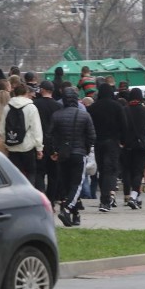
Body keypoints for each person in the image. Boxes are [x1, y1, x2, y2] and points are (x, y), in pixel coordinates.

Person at [50, 87, 96, 227]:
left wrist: (54, 150)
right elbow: (91, 136)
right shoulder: (84, 115)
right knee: (77, 184)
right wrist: (86, 150)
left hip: (63, 154)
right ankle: (68, 209)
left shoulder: (56, 115)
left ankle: (75, 215)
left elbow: (50, 135)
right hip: (79, 152)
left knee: (67, 184)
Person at [88, 83, 127, 212]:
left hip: (98, 142)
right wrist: (123, 140)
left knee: (102, 170)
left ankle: (104, 199)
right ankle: (106, 199)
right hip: (113, 142)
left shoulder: (93, 108)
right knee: (111, 170)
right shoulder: (117, 107)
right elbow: (123, 124)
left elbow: (89, 126)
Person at [0, 83, 43, 185]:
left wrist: (6, 143)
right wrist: (39, 148)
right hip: (27, 146)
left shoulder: (7, 107)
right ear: (26, 93)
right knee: (31, 172)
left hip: (12, 146)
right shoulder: (31, 107)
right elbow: (37, 129)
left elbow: (1, 129)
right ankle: (29, 195)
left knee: (15, 175)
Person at [120, 88, 145, 209]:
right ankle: (134, 196)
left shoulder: (124, 110)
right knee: (138, 172)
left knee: (128, 171)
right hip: (141, 146)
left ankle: (133, 196)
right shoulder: (144, 110)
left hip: (127, 146)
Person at [33, 80, 63, 195]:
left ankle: (41, 195)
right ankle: (51, 201)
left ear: (42, 90)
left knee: (39, 173)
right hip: (54, 143)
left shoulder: (35, 104)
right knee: (53, 174)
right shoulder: (58, 106)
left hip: (39, 142)